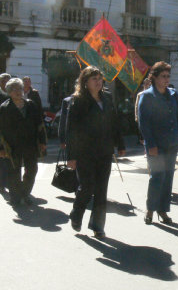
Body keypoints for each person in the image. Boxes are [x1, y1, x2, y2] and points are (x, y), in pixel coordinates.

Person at [66, 67, 125, 239]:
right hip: (85, 152)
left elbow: (114, 122)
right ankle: (76, 214)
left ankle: (98, 226)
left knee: (101, 190)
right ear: (85, 82)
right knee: (87, 187)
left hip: (105, 151)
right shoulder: (78, 101)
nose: (98, 82)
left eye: (100, 78)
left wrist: (120, 143)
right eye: (94, 79)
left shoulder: (106, 97)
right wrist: (71, 156)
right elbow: (71, 130)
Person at [138, 61, 178, 225]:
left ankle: (163, 210)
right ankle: (151, 209)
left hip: (172, 143)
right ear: (154, 78)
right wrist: (150, 145)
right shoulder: (147, 96)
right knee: (157, 177)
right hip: (156, 146)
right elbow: (144, 123)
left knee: (168, 178)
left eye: (168, 76)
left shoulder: (173, 94)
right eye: (163, 76)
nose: (167, 79)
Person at [0, 78, 47, 206]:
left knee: (32, 170)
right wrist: (0, 148)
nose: (18, 92)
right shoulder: (5, 107)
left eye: (20, 89)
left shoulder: (31, 105)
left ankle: (25, 193)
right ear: (9, 92)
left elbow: (40, 124)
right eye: (14, 89)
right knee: (14, 172)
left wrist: (42, 141)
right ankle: (15, 196)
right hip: (12, 146)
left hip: (30, 144)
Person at [135, 78, 152, 145]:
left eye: (148, 83)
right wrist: (136, 116)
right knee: (142, 133)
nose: (147, 84)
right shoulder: (140, 94)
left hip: (151, 116)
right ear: (143, 84)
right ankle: (145, 147)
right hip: (142, 116)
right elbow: (136, 106)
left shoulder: (152, 94)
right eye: (146, 83)